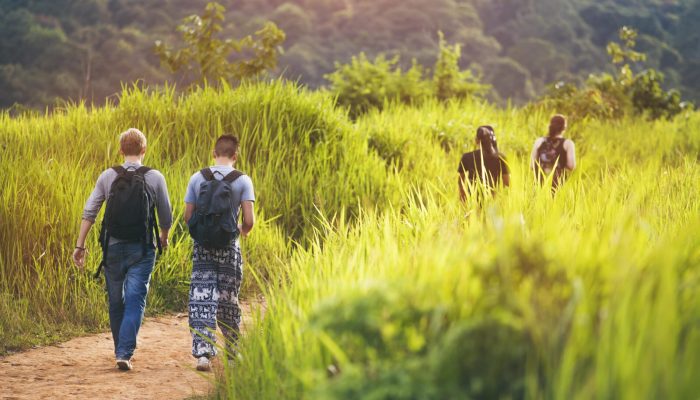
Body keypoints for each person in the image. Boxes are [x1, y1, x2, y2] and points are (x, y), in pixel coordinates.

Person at [72, 128, 172, 371]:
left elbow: (90, 211)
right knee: (136, 298)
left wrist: (80, 245)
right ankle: (124, 352)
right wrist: (164, 237)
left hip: (113, 248)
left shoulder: (108, 176)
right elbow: (166, 215)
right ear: (144, 150)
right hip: (142, 249)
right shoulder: (155, 177)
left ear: (121, 150)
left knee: (116, 301)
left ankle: (121, 350)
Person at [184, 134, 255, 372]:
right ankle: (233, 352)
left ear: (214, 153)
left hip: (203, 247)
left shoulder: (197, 177)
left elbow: (188, 217)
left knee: (201, 297)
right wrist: (239, 231)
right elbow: (249, 221)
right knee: (228, 300)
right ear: (235, 156)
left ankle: (203, 354)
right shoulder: (243, 180)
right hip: (228, 248)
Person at [458, 125, 510, 203]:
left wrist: (463, 197)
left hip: (473, 202)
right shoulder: (501, 158)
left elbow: (460, 182)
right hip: (493, 202)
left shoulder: (467, 157)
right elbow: (507, 184)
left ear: (476, 140)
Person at [530, 114, 576, 190]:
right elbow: (571, 166)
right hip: (558, 185)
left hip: (539, 184)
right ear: (564, 128)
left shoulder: (539, 141)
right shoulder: (568, 143)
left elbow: (532, 166)